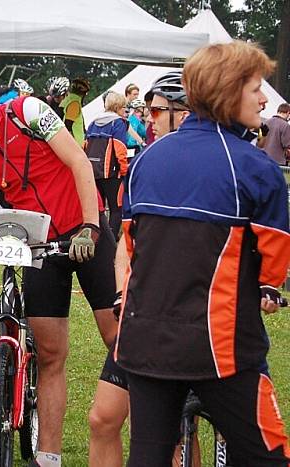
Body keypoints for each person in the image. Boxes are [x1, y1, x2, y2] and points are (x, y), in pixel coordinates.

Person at [0, 82, 117, 467]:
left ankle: (150, 423)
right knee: (49, 354)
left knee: (118, 338)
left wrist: (91, 226)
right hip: (39, 246)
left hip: (85, 232)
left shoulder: (26, 112)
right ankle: (48, 457)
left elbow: (79, 162)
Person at [116, 41, 290, 466]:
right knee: (270, 458)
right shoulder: (256, 168)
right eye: (255, 89)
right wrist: (269, 287)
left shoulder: (145, 160)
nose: (265, 98)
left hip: (143, 342)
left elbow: (132, 244)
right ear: (229, 91)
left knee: (149, 457)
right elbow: (275, 257)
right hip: (221, 348)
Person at [87, 71, 192, 467]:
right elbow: (125, 246)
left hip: (186, 318)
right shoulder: (144, 163)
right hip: (138, 314)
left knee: (178, 434)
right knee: (103, 418)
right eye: (146, 109)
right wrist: (119, 293)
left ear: (182, 114)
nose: (147, 118)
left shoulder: (206, 168)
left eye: (155, 111)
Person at [84, 92, 129, 240]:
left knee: (99, 210)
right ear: (117, 107)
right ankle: (111, 242)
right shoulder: (118, 123)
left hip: (92, 172)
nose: (125, 111)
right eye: (124, 107)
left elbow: (85, 145)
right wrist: (124, 172)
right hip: (111, 174)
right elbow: (120, 150)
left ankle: (98, 240)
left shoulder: (93, 123)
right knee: (116, 210)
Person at [61, 77, 90, 145]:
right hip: (75, 144)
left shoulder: (68, 100)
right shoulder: (74, 104)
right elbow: (68, 125)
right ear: (84, 93)